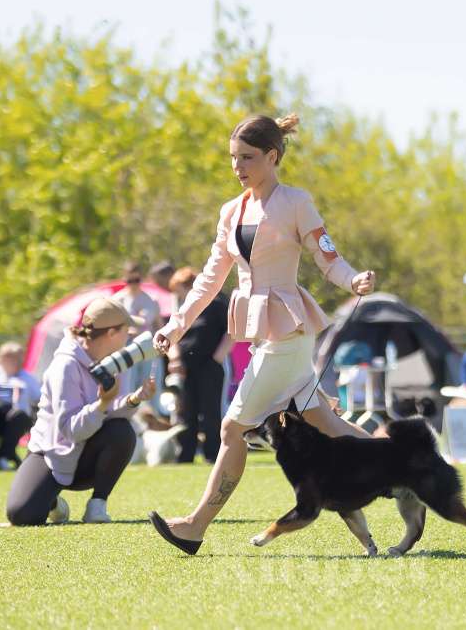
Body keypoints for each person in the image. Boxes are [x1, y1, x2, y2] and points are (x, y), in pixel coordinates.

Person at [149, 113, 376, 554]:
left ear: (273, 156)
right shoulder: (230, 211)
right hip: (261, 333)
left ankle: (194, 526)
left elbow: (328, 256)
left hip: (288, 332)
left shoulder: (297, 202)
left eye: (247, 158)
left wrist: (353, 282)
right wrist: (176, 326)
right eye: (234, 158)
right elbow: (211, 277)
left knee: (233, 428)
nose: (238, 167)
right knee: (325, 421)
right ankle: (409, 470)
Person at [5, 298, 156, 525]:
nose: (130, 336)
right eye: (127, 330)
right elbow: (70, 430)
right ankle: (53, 502)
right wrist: (102, 404)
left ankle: (97, 505)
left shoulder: (116, 362)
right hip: (52, 453)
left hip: (86, 453)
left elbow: (113, 415)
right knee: (21, 515)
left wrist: (135, 399)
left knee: (122, 431)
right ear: (112, 333)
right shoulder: (65, 366)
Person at [168, 266, 233, 463]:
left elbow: (232, 331)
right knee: (187, 411)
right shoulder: (185, 307)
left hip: (210, 365)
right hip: (187, 367)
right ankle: (186, 454)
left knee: (211, 410)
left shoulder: (219, 302)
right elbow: (175, 334)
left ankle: (212, 454)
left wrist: (217, 359)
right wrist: (175, 358)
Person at [0, 342, 41, 469]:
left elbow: (39, 399)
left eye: (17, 358)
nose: (13, 362)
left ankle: (3, 456)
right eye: (9, 358)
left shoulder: (27, 378)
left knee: (20, 416)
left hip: (15, 418)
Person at [112, 260, 162, 393]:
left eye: (137, 279)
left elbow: (159, 326)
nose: (133, 284)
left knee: (150, 388)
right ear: (124, 279)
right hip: (126, 348)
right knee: (127, 388)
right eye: (130, 280)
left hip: (148, 349)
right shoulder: (117, 300)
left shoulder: (151, 300)